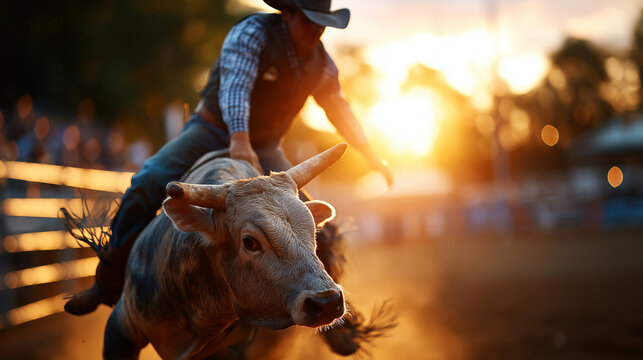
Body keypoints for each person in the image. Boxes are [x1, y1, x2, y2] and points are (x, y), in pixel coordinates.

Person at [65, 0, 391, 325]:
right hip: (211, 129)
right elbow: (236, 87)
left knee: (311, 223)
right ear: (288, 14)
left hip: (264, 146)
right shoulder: (252, 33)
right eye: (309, 20)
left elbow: (338, 106)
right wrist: (239, 138)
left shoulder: (321, 64)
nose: (316, 29)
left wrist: (371, 153)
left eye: (322, 23)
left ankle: (327, 306)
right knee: (149, 181)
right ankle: (105, 283)